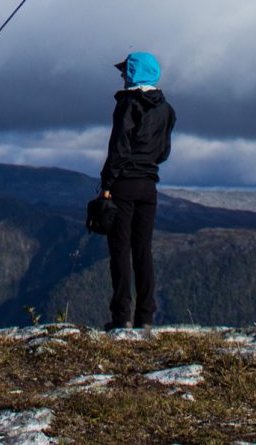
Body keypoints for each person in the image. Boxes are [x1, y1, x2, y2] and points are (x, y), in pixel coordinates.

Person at [99, 50, 175, 330]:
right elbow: (164, 151)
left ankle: (121, 318)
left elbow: (119, 146)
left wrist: (107, 184)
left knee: (120, 251)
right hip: (149, 185)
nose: (121, 75)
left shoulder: (128, 104)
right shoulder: (166, 108)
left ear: (133, 73)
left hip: (124, 184)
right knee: (143, 251)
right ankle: (146, 317)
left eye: (125, 71)